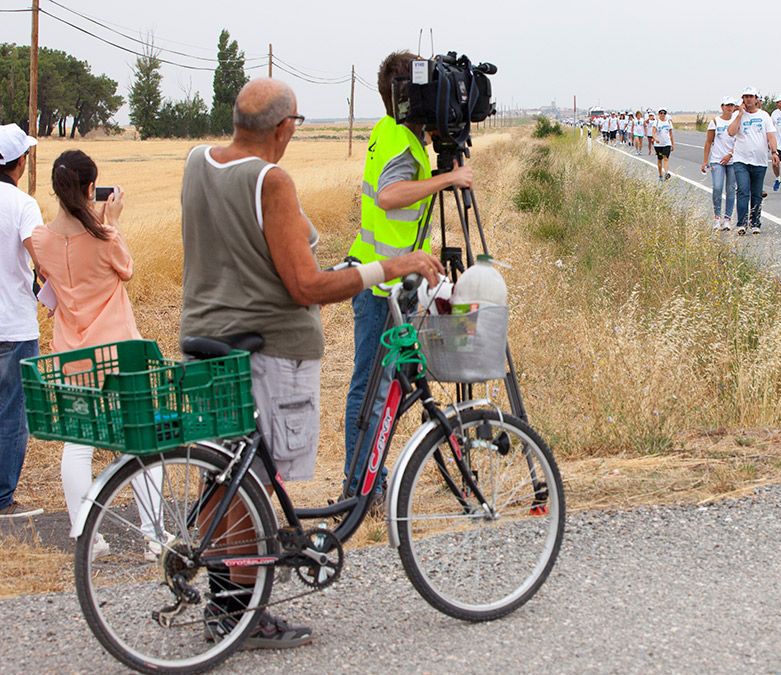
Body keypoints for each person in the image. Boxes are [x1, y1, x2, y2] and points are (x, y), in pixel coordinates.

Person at [180, 78, 443, 648]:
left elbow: (238, 239)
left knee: (223, 479)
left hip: (204, 338)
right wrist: (388, 268)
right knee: (249, 483)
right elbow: (305, 286)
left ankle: (224, 606)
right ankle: (242, 615)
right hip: (266, 348)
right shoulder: (272, 179)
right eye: (296, 124)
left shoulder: (198, 162)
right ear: (282, 128)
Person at [344, 51, 473, 499]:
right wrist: (446, 181)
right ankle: (362, 488)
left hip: (388, 278)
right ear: (410, 97)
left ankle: (368, 481)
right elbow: (389, 196)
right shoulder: (401, 139)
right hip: (381, 285)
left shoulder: (391, 130)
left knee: (391, 383)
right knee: (372, 389)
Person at [30, 150, 166, 557]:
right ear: (91, 188)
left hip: (72, 351)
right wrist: (113, 221)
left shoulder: (40, 240)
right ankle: (155, 536)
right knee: (139, 440)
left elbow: (48, 285)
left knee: (78, 443)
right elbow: (126, 268)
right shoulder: (105, 237)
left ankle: (87, 535)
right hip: (120, 350)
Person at [0, 124, 43, 520]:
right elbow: (40, 259)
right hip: (13, 323)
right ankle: (3, 499)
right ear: (19, 162)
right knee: (12, 413)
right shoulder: (22, 204)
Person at [728, 86, 779, 235]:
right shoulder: (738, 115)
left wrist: (774, 152)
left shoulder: (764, 116)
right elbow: (731, 132)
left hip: (759, 160)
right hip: (741, 159)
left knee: (756, 193)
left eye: (751, 96)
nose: (749, 99)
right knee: (743, 190)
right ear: (743, 99)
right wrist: (739, 115)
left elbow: (771, 135)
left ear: (756, 99)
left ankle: (755, 222)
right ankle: (742, 223)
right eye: (746, 97)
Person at [702, 96, 739, 231]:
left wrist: (731, 154)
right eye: (727, 105)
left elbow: (740, 141)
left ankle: (727, 218)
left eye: (732, 106)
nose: (729, 108)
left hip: (733, 159)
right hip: (717, 160)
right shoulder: (715, 122)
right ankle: (717, 217)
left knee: (730, 189)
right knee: (717, 187)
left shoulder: (737, 121)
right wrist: (705, 160)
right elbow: (708, 142)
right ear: (722, 107)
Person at [652, 108, 674, 181]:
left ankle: (666, 173)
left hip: (667, 143)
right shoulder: (656, 122)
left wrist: (673, 144)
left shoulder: (668, 122)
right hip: (658, 145)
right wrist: (655, 139)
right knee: (659, 159)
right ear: (659, 114)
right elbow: (653, 132)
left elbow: (671, 134)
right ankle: (660, 175)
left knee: (666, 158)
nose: (662, 114)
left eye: (664, 113)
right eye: (661, 113)